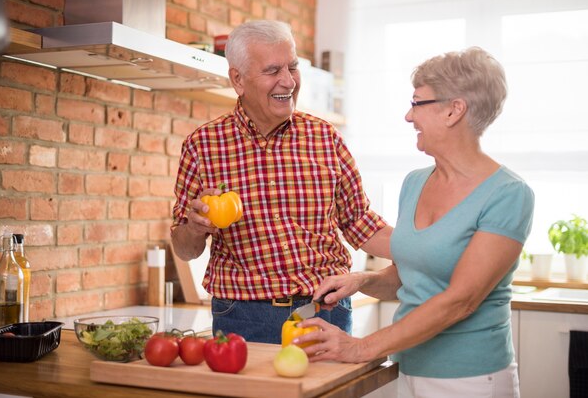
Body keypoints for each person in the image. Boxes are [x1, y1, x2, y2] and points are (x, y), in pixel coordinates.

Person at [294, 47, 535, 398]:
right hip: (409, 369)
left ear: (454, 110)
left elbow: (460, 300)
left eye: (417, 103)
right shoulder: (415, 183)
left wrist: (360, 348)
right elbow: (413, 277)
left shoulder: (508, 194)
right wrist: (362, 281)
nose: (409, 116)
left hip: (472, 379)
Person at [170, 20, 391, 344]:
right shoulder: (203, 145)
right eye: (273, 70)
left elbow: (360, 222)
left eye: (293, 67)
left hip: (324, 310)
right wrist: (194, 226)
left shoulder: (325, 138)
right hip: (243, 319)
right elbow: (184, 249)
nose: (288, 81)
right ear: (238, 79)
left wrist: (424, 250)